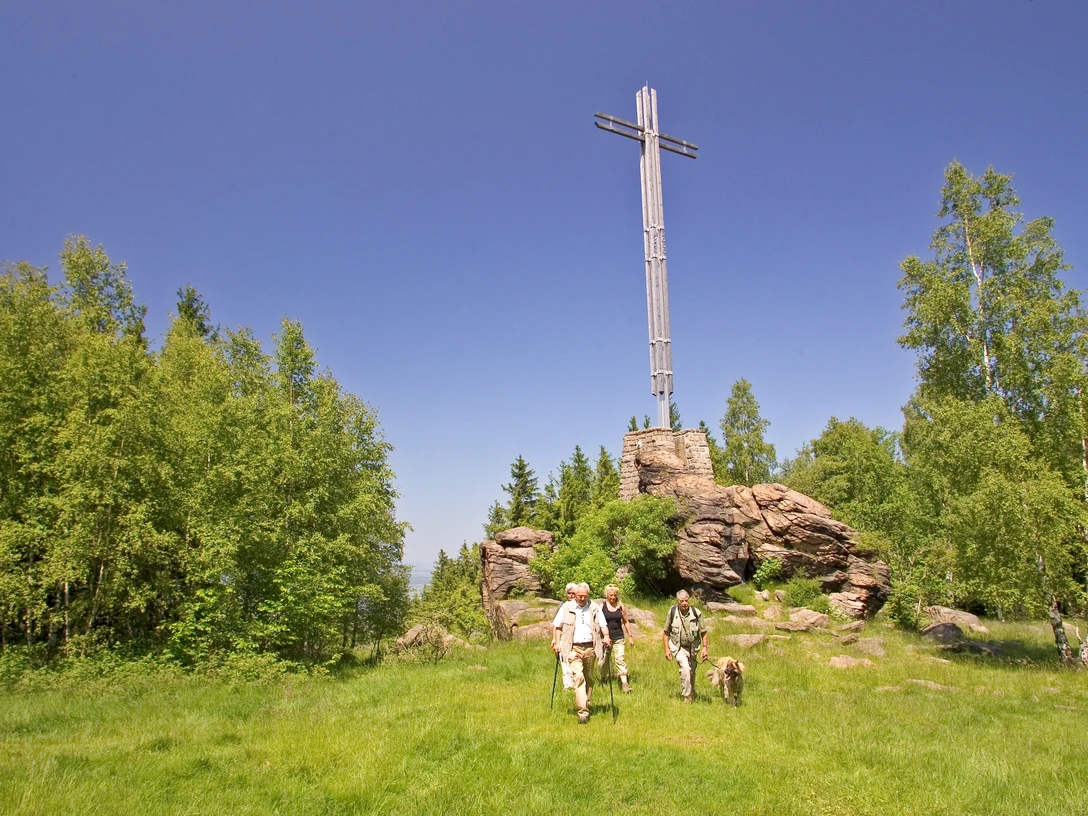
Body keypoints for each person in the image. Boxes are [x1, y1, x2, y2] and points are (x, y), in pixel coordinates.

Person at [551, 582, 611, 723]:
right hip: (573, 648)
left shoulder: (595, 608)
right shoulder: (566, 607)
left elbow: (603, 625)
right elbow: (557, 626)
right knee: (578, 677)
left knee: (589, 678)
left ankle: (586, 703)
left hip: (590, 648)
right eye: (579, 596)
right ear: (575, 595)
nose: (582, 598)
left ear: (588, 595)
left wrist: (606, 636)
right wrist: (557, 642)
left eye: (584, 596)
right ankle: (583, 712)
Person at [662, 589, 708, 702]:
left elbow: (704, 632)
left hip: (693, 648)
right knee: (686, 669)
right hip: (677, 647)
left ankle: (691, 692)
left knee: (691, 671)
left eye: (686, 600)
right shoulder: (672, 612)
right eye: (681, 601)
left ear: (689, 600)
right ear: (678, 601)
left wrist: (705, 648)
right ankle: (687, 696)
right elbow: (665, 632)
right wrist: (667, 649)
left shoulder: (696, 613)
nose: (684, 603)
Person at [602, 584, 635, 693]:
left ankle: (624, 684)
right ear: (607, 595)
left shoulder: (620, 607)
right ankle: (603, 679)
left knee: (620, 659)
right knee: (603, 661)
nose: (612, 597)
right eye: (611, 595)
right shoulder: (602, 607)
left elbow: (626, 622)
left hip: (618, 637)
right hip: (606, 639)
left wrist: (630, 636)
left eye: (614, 595)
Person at [560, 583, 577, 690]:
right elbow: (557, 625)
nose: (571, 595)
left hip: (577, 639)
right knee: (565, 661)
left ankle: (577, 683)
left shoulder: (580, 606)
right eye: (569, 593)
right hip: (565, 638)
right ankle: (567, 685)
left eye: (573, 593)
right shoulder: (563, 606)